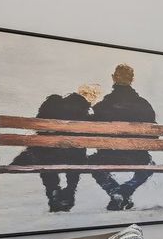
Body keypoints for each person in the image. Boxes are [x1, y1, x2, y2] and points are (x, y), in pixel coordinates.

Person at [11, 83, 102, 212]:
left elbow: (37, 125)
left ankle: (53, 190)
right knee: (76, 153)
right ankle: (70, 191)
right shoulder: (85, 115)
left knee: (45, 154)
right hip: (73, 159)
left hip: (45, 155)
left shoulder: (53, 102)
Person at [89, 63, 157, 210]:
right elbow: (154, 135)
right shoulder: (144, 105)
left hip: (106, 156)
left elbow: (91, 132)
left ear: (113, 78)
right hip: (138, 157)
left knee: (91, 162)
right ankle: (125, 191)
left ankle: (116, 192)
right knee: (150, 165)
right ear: (132, 79)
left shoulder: (101, 106)